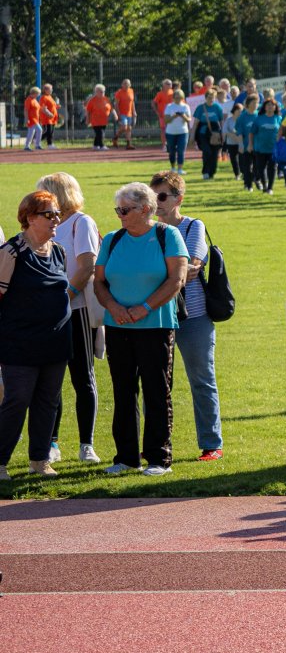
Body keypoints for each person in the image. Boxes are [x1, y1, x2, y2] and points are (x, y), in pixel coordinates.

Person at [93, 182, 189, 476]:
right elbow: (99, 282)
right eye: (118, 209)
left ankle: (159, 459)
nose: (120, 214)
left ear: (146, 209)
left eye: (125, 209)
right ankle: (126, 457)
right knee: (123, 391)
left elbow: (177, 279)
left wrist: (144, 308)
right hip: (118, 325)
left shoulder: (167, 235)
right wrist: (114, 307)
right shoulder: (112, 239)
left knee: (156, 391)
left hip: (156, 326)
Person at [0, 190, 74, 479]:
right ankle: (1, 461)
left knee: (48, 401)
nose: (56, 219)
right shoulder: (10, 253)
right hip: (19, 343)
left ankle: (40, 460)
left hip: (56, 342)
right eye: (49, 214)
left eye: (57, 213)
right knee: (17, 399)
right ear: (30, 218)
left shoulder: (58, 251)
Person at [151, 171, 222, 461]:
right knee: (156, 384)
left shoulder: (193, 226)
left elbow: (191, 268)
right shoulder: (146, 229)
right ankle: (157, 447)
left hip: (193, 315)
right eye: (153, 195)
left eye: (163, 196)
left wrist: (158, 274)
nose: (156, 202)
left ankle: (211, 444)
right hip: (157, 315)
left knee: (202, 379)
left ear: (179, 198)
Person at [38, 173, 100, 465]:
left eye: (45, 193)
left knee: (83, 377)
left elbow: (87, 265)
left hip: (76, 310)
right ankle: (52, 442)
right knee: (51, 380)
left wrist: (67, 294)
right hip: (50, 314)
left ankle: (86, 444)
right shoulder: (46, 225)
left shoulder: (80, 222)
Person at [161, 85, 192, 170]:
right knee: (171, 151)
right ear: (173, 98)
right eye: (176, 98)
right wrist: (174, 116)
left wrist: (183, 116)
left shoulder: (185, 107)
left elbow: (189, 119)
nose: (178, 99)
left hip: (183, 132)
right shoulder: (169, 106)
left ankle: (180, 169)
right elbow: (166, 120)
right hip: (171, 132)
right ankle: (173, 168)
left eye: (180, 97)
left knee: (181, 151)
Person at [84, 84, 111, 151]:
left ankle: (95, 145)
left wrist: (115, 114)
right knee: (101, 133)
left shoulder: (106, 99)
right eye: (101, 92)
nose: (103, 93)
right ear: (96, 92)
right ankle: (102, 145)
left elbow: (110, 108)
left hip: (104, 120)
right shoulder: (92, 100)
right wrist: (87, 119)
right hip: (95, 121)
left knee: (99, 133)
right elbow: (88, 111)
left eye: (103, 91)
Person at [111, 79, 137, 149]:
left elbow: (132, 102)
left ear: (130, 85)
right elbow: (116, 104)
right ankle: (115, 138)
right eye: (124, 83)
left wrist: (134, 111)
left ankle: (128, 144)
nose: (126, 85)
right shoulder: (119, 93)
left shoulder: (131, 91)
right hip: (122, 113)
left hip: (130, 113)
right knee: (124, 127)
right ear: (122, 85)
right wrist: (118, 114)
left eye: (127, 84)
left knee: (129, 128)